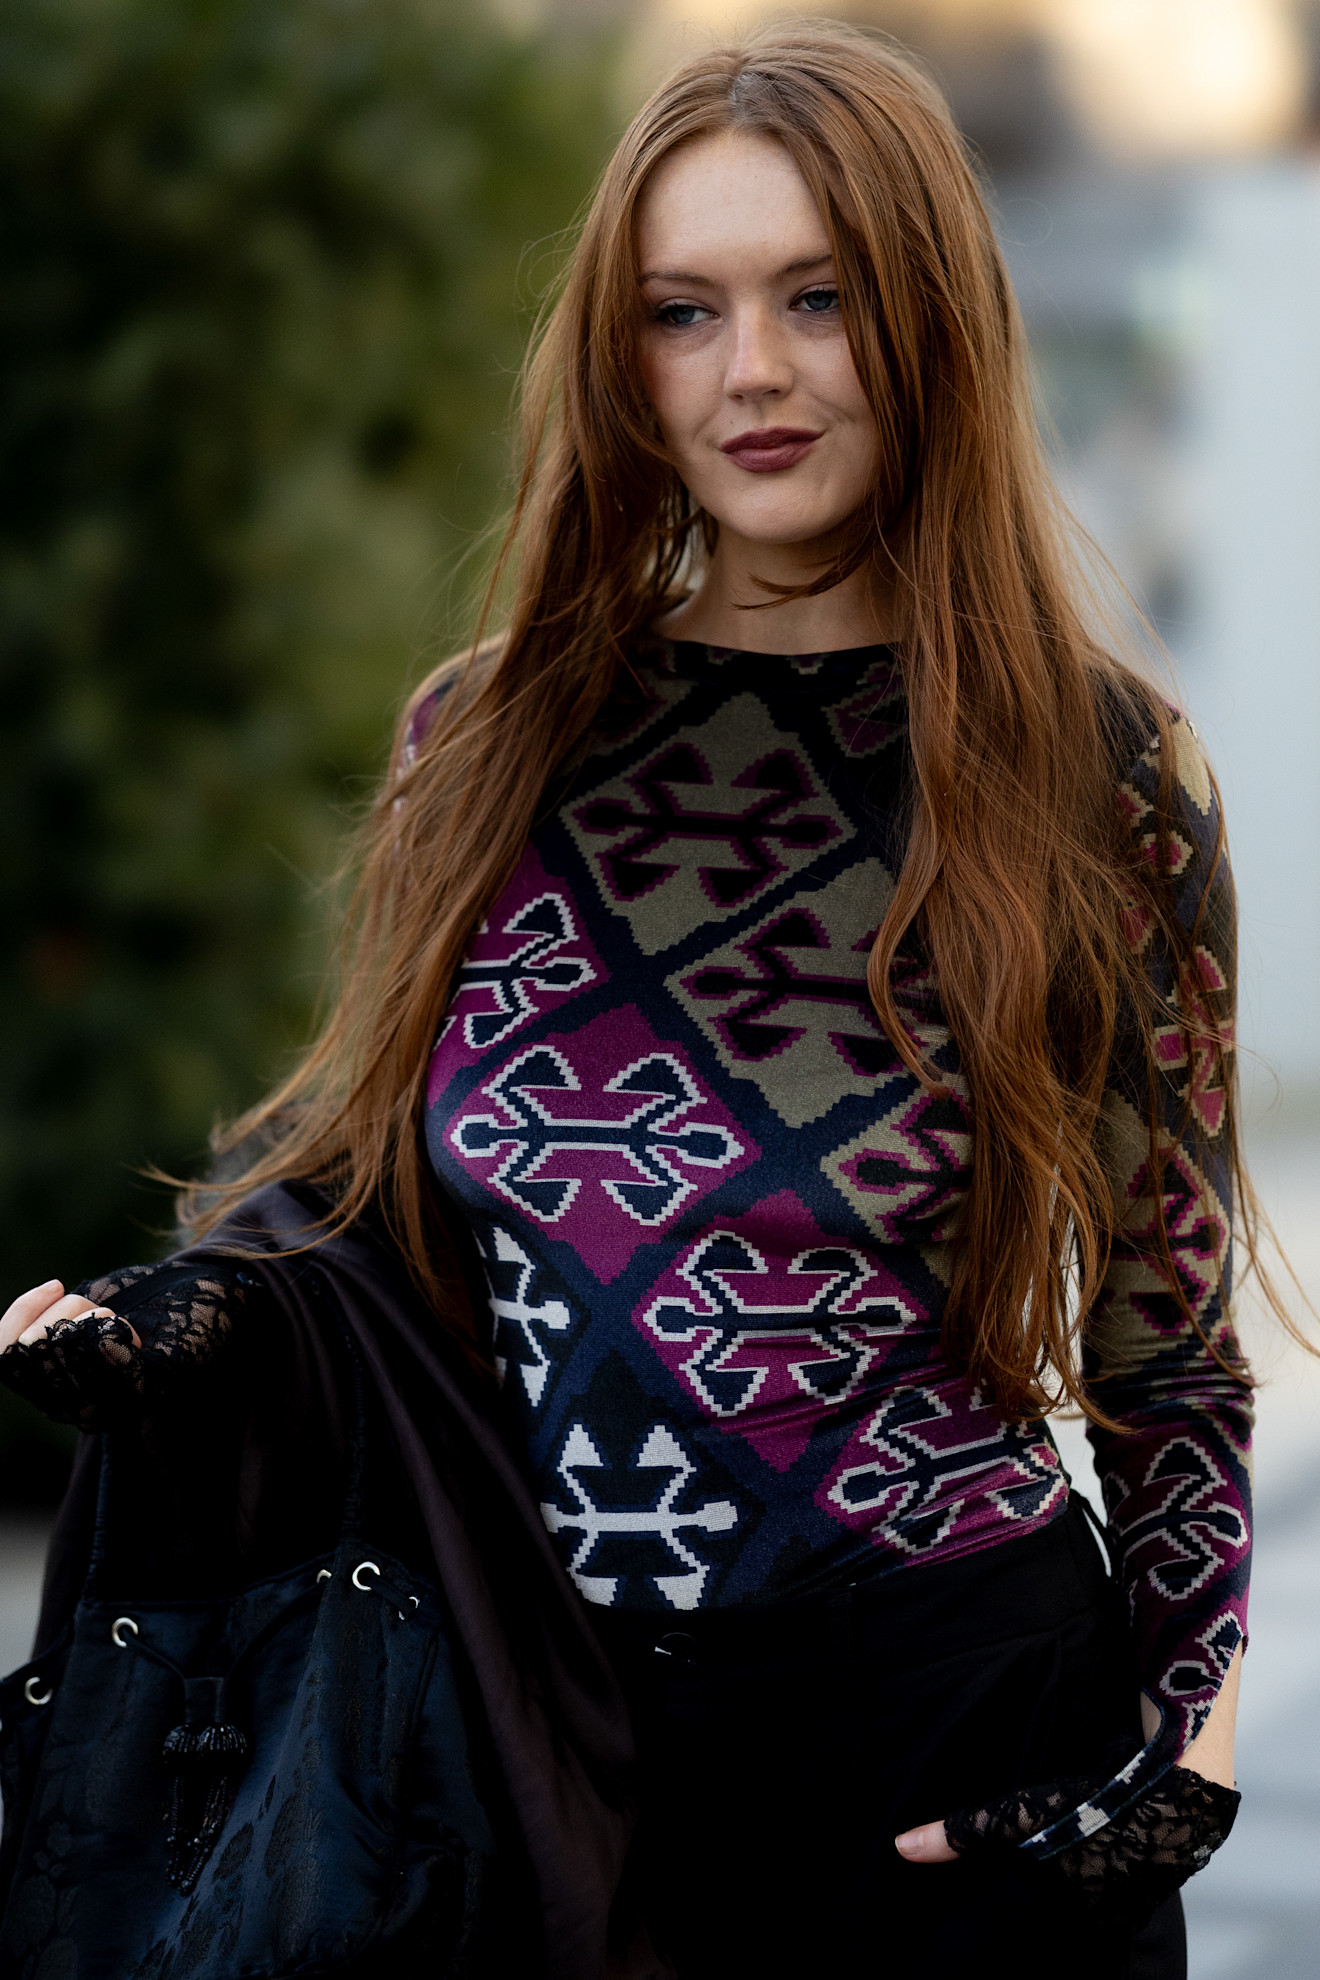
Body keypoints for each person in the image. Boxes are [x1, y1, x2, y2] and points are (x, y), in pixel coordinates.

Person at [1, 22, 1263, 1979]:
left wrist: (1182, 1764)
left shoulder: (1101, 773)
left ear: (934, 320)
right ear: (622, 355)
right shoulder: (487, 736)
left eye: (819, 298)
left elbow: (1169, 1357)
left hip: (951, 1730)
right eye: (685, 311)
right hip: (542, 1738)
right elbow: (383, 1206)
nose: (750, 369)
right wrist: (195, 1325)